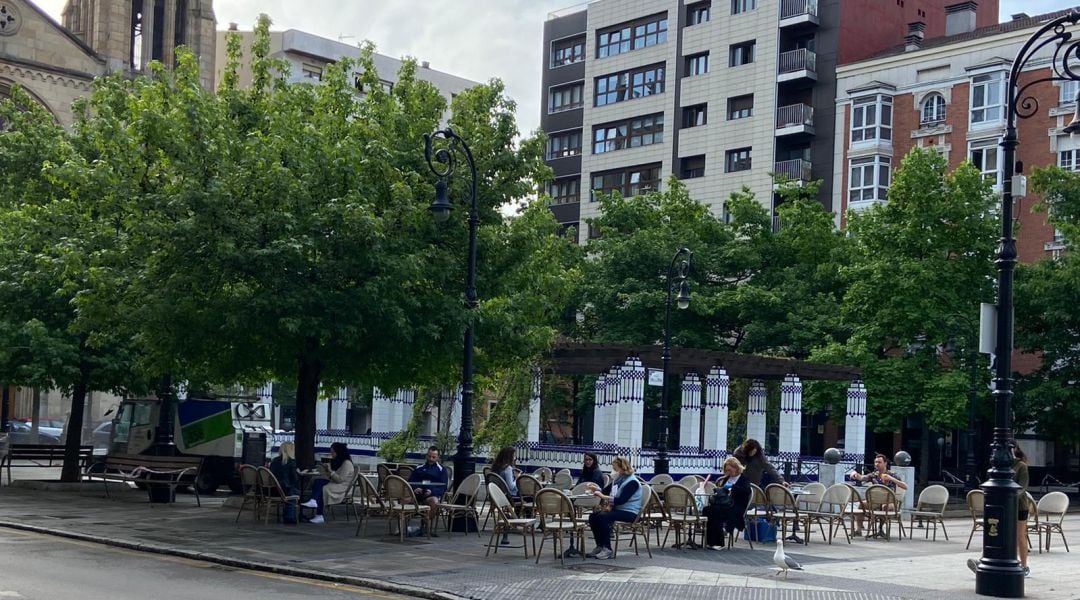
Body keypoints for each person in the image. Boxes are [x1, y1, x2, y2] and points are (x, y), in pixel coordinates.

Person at [585, 456, 643, 560]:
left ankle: (607, 549)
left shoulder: (632, 482)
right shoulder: (619, 479)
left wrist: (602, 497)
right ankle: (600, 545)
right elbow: (605, 491)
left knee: (603, 517)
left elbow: (621, 500)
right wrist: (596, 489)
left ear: (623, 468)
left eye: (615, 469)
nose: (614, 471)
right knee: (593, 516)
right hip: (618, 510)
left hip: (630, 512)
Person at [850, 453, 908, 536]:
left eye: (879, 462)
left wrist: (891, 479)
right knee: (861, 505)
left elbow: (905, 486)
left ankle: (880, 528)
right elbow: (861, 478)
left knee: (886, 507)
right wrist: (854, 474)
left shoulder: (892, 474)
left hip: (889, 501)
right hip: (875, 502)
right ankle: (858, 530)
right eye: (876, 462)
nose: (877, 464)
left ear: (885, 463)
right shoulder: (874, 475)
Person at [703, 456, 752, 549]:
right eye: (726, 470)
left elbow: (746, 492)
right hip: (725, 504)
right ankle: (710, 540)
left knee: (716, 511)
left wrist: (732, 488)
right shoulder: (726, 479)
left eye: (730, 470)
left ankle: (719, 542)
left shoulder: (743, 479)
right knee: (708, 510)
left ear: (736, 468)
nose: (728, 472)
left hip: (736, 506)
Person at [300, 442, 355, 524]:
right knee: (318, 481)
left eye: (333, 452)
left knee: (323, 489)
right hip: (336, 483)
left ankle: (319, 513)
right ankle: (313, 501)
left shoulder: (347, 463)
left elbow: (340, 479)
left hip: (342, 487)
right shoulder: (340, 462)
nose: (331, 454)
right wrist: (326, 470)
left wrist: (330, 471)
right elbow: (334, 477)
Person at [409, 446, 449, 510]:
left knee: (434, 501)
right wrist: (415, 488)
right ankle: (402, 519)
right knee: (403, 499)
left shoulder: (442, 470)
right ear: (426, 455)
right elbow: (410, 481)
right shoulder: (419, 468)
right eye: (429, 456)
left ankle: (427, 520)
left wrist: (432, 491)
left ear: (438, 457)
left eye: (433, 457)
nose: (431, 459)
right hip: (417, 495)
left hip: (432, 496)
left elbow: (444, 487)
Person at [269, 442, 299, 523]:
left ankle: (288, 515)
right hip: (284, 490)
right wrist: (298, 472)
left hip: (271, 490)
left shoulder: (274, 461)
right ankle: (290, 516)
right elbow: (294, 479)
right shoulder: (291, 462)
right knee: (295, 491)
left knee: (292, 490)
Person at [1013, 443, 1031, 577]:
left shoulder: (1021, 466)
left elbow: (1023, 487)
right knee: (1000, 533)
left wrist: (1010, 497)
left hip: (1019, 506)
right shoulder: (1002, 465)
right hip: (1006, 506)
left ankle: (1024, 565)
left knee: (1020, 535)